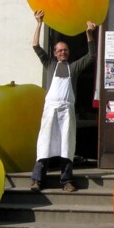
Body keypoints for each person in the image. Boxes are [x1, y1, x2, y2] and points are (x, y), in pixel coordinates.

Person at [30, 10, 97, 192]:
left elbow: (91, 56)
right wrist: (39, 23)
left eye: (65, 50)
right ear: (55, 53)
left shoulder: (74, 67)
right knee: (44, 143)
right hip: (50, 110)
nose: (62, 52)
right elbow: (35, 45)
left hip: (67, 111)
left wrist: (89, 34)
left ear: (68, 53)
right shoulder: (49, 64)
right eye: (59, 50)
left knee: (67, 145)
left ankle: (67, 181)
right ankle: (37, 180)